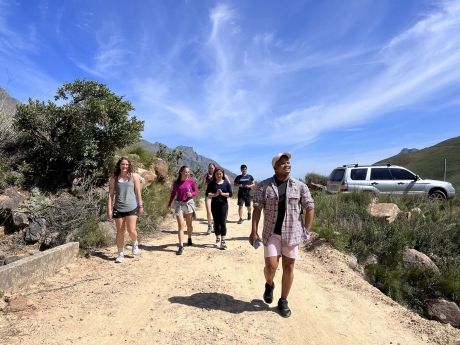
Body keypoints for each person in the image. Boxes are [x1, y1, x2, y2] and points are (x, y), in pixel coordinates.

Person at [249, 153, 314, 318]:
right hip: (271, 233)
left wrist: (306, 230)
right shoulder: (264, 186)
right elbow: (257, 208)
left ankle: (283, 300)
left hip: (292, 234)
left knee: (289, 267)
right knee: (271, 266)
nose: (287, 165)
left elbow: (309, 207)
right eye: (283, 163)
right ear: (275, 167)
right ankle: (269, 284)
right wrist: (253, 231)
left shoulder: (300, 186)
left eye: (288, 162)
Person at [107, 157, 144, 263]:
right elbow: (110, 195)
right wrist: (109, 210)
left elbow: (138, 192)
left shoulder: (134, 177)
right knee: (120, 231)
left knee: (131, 230)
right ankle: (120, 254)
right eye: (123, 164)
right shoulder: (114, 178)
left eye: (127, 164)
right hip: (118, 208)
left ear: (129, 165)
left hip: (132, 207)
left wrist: (140, 206)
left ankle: (135, 243)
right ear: (119, 165)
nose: (125, 166)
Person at [167, 165, 199, 255]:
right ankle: (181, 246)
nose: (187, 174)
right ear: (181, 172)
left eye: (188, 172)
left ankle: (189, 238)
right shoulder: (176, 183)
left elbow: (196, 192)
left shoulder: (191, 182)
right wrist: (169, 203)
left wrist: (191, 194)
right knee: (181, 226)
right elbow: (173, 193)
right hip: (179, 204)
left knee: (189, 224)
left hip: (188, 204)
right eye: (185, 172)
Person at [206, 167, 233, 249]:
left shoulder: (226, 183)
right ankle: (218, 239)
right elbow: (208, 194)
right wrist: (215, 195)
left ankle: (223, 240)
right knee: (216, 222)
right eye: (217, 174)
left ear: (223, 174)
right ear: (214, 174)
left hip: (223, 205)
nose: (219, 175)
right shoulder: (211, 183)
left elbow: (230, 194)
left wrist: (222, 194)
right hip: (214, 205)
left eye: (220, 173)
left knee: (223, 222)